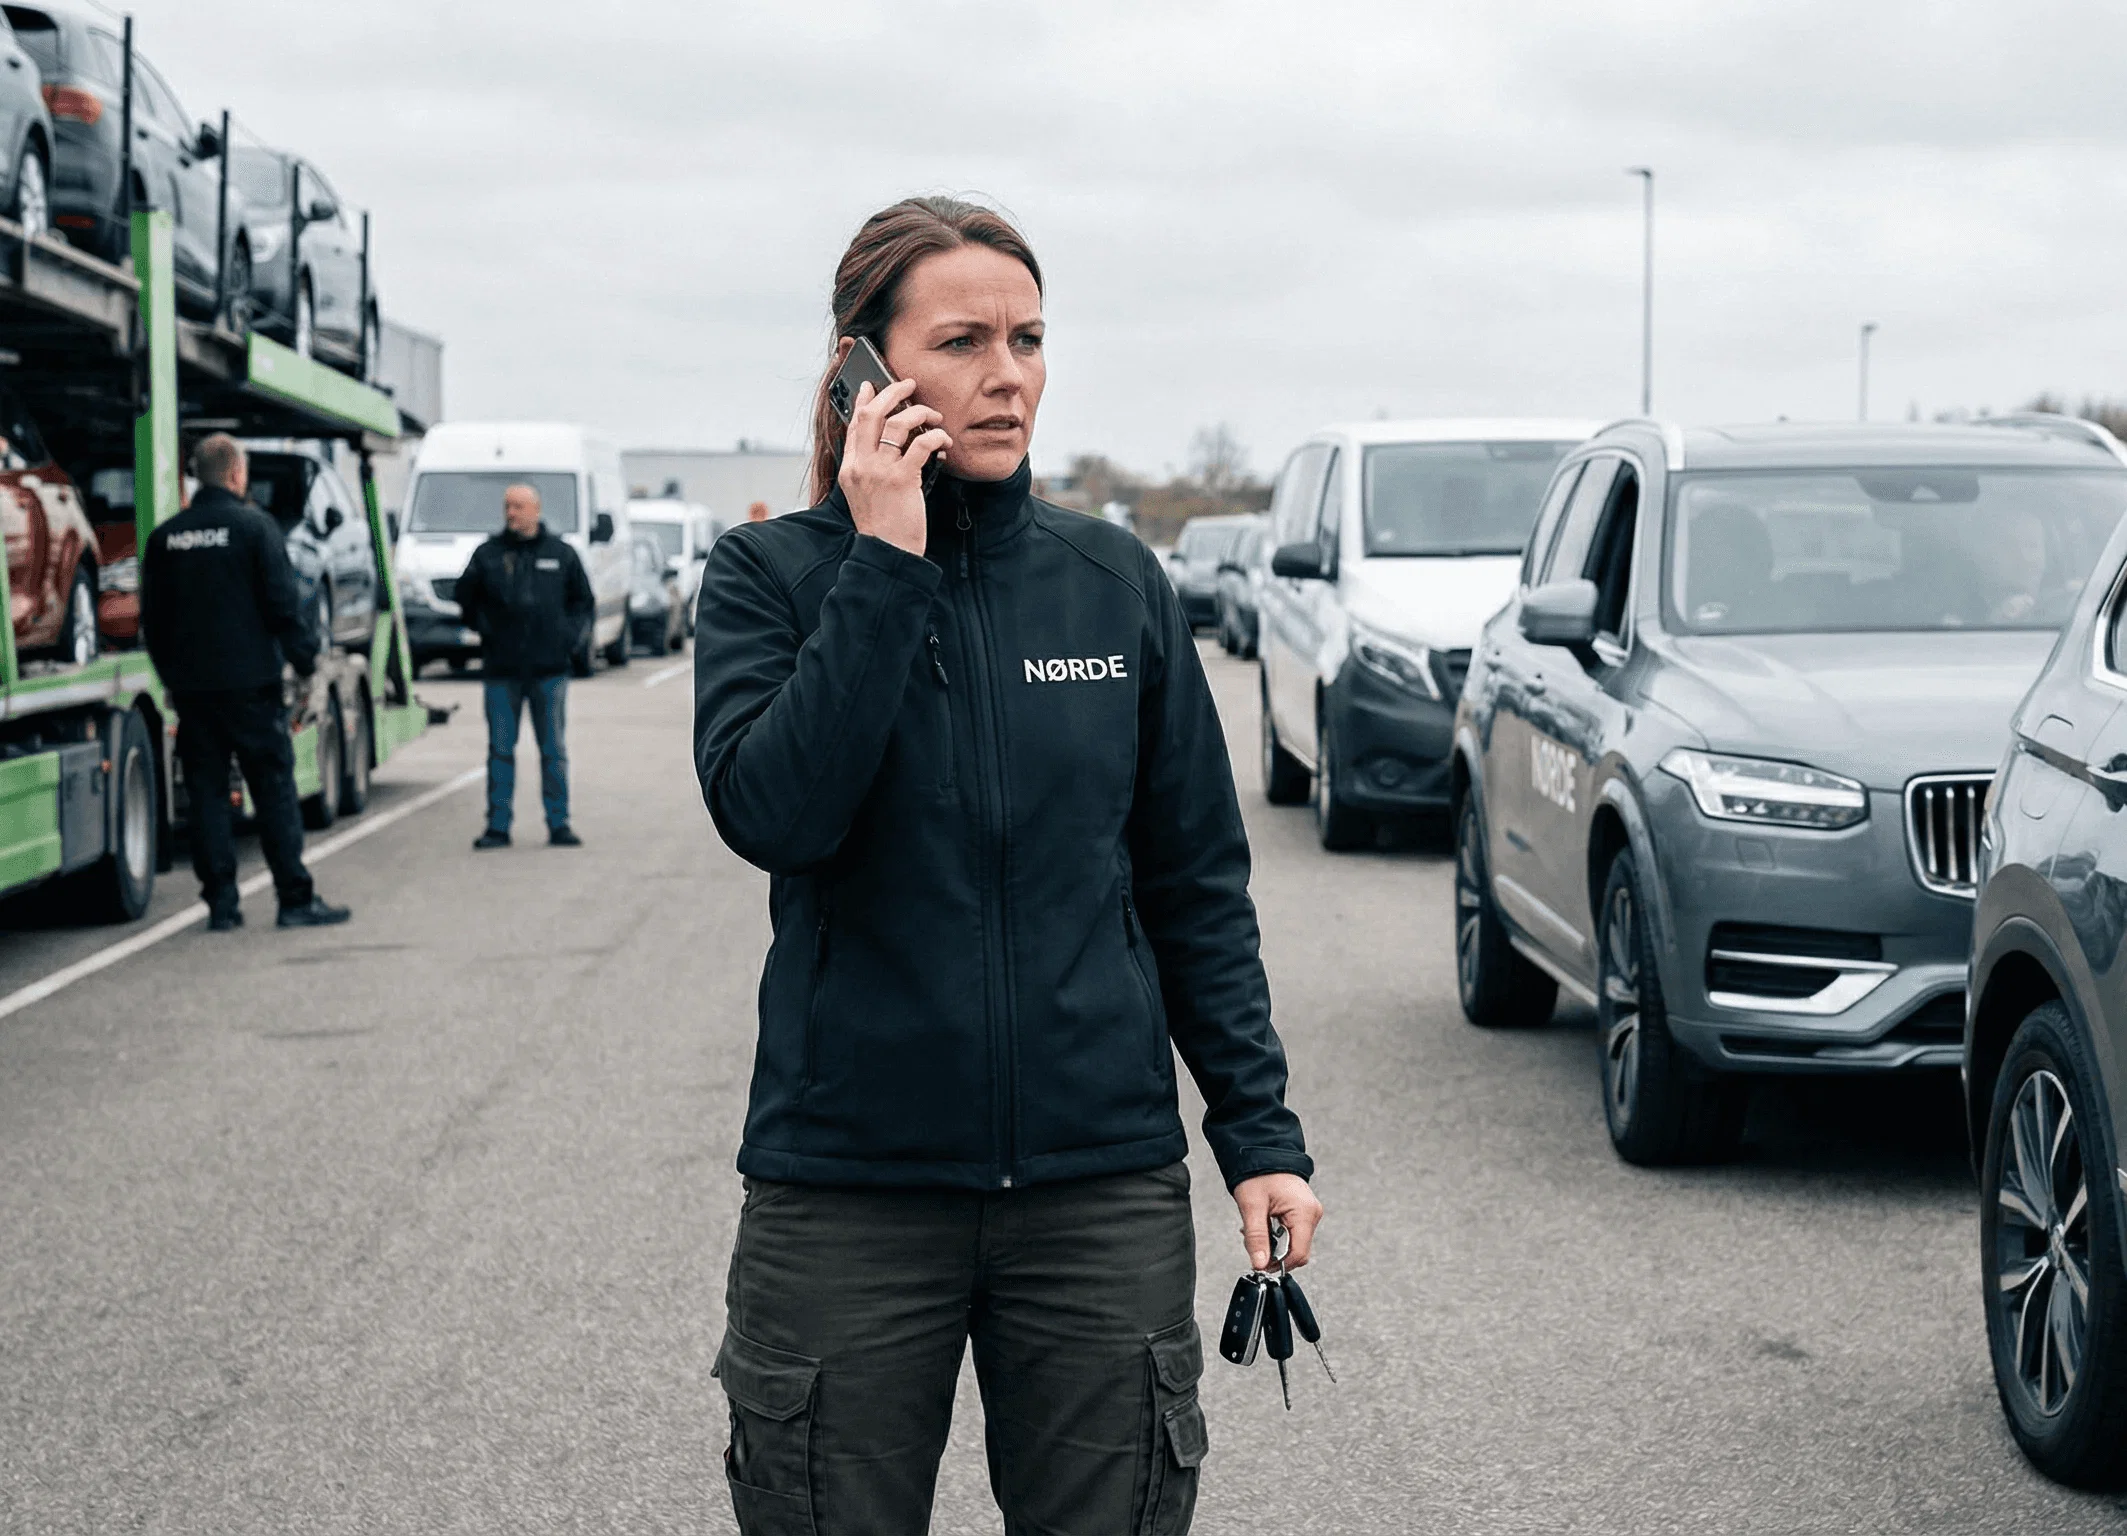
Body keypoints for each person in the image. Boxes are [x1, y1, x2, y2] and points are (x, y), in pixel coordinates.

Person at [693, 197, 1321, 1535]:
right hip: (847, 1192)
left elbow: (1193, 887)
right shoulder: (769, 580)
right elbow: (778, 814)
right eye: (962, 340)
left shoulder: (1114, 585)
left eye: (1027, 338)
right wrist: (885, 563)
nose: (1006, 373)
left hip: (1096, 1189)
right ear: (865, 368)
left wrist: (1256, 1134)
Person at [140, 434, 351, 932]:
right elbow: (283, 605)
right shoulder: (256, 528)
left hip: (194, 693)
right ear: (237, 475)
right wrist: (306, 665)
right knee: (273, 790)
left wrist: (172, 678)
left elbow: (153, 621)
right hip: (251, 688)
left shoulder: (166, 538)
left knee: (208, 795)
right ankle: (294, 899)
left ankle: (222, 906)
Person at [452, 481, 594, 849]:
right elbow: (465, 597)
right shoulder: (488, 554)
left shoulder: (561, 554)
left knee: (553, 751)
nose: (511, 513)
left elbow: (583, 603)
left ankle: (559, 824)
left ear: (536, 509)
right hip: (502, 671)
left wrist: (568, 640)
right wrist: (485, 629)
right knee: (500, 750)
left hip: (550, 671)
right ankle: (497, 827)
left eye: (518, 506)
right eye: (507, 507)